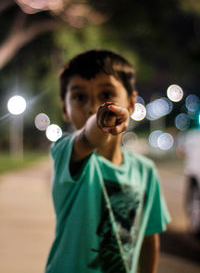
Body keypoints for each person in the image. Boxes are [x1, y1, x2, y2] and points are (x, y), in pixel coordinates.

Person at [45, 49, 170, 273]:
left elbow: (149, 239)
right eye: (79, 96)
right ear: (64, 107)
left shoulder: (146, 171)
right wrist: (100, 121)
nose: (93, 106)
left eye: (106, 94)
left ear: (131, 102)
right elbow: (88, 137)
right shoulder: (65, 152)